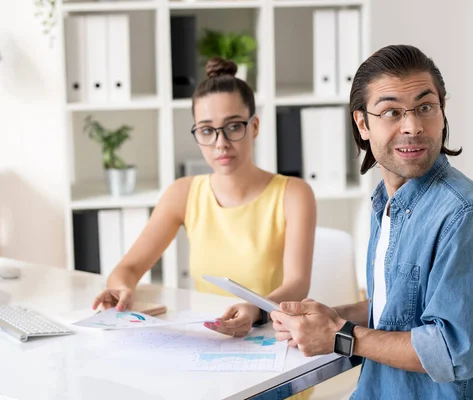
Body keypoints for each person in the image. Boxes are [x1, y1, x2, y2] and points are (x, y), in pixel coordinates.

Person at [271, 44, 473, 399]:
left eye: (425, 107)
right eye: (391, 112)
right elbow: (404, 306)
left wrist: (340, 336)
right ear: (363, 123)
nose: (413, 126)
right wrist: (329, 318)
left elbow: (453, 351)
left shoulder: (468, 218)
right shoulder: (387, 203)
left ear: (442, 111)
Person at [92, 57, 317, 340]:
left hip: (271, 341)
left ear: (255, 127)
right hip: (209, 341)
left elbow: (298, 283)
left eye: (234, 126)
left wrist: (255, 310)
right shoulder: (183, 193)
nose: (220, 143)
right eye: (207, 131)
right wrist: (123, 288)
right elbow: (129, 268)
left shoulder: (293, 194)